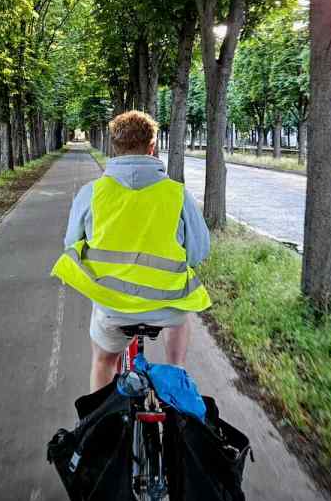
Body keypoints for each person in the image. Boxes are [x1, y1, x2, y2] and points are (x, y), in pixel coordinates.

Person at [51, 110, 211, 392]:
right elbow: (198, 252)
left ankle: (102, 425)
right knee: (181, 316)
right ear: (152, 147)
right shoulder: (177, 194)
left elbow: (70, 244)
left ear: (115, 147)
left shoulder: (92, 193)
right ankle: (175, 373)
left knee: (103, 361)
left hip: (113, 307)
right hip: (166, 306)